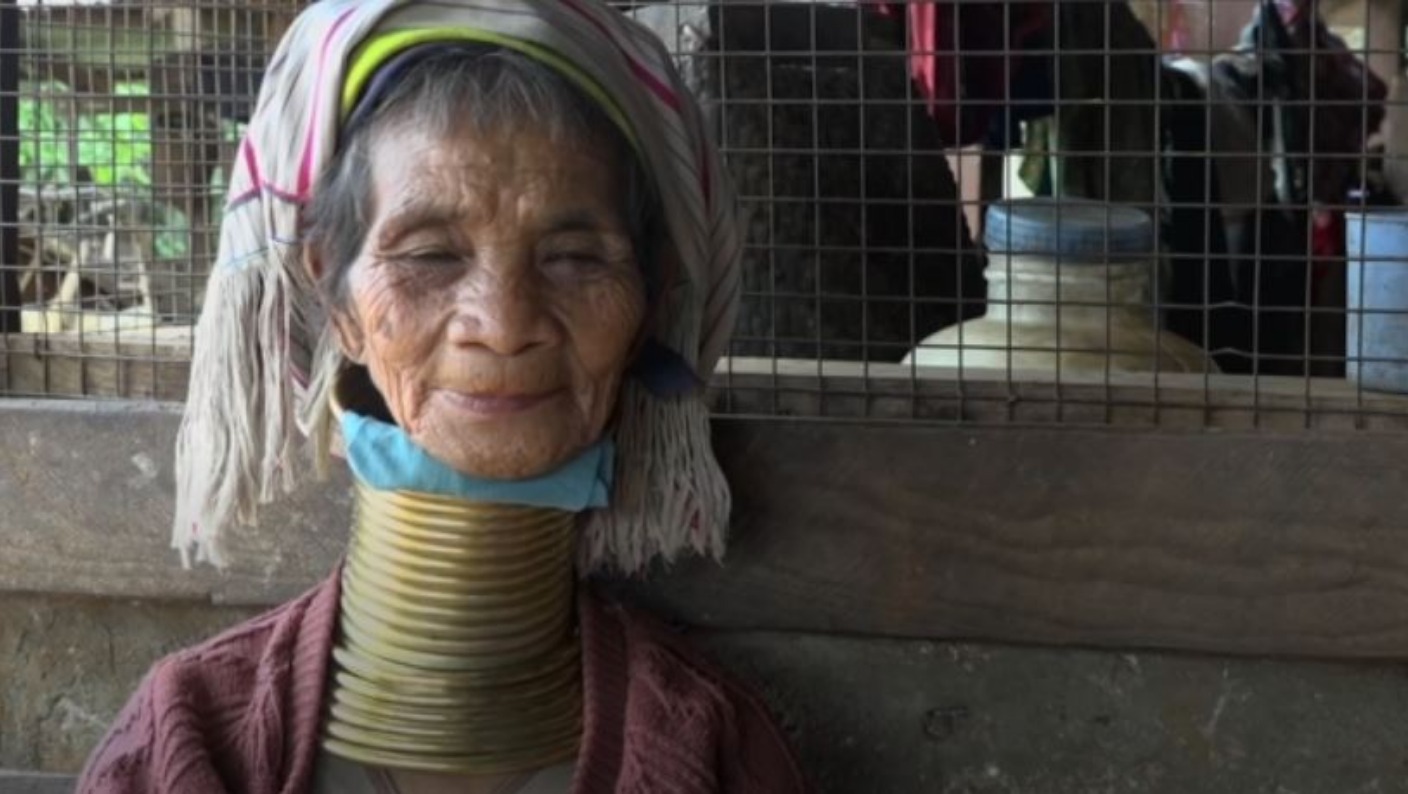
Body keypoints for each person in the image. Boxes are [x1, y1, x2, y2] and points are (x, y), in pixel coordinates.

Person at [76, 1, 805, 792]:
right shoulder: (190, 743)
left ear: (651, 303)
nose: (501, 325)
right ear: (338, 301)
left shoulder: (707, 750)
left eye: (574, 258)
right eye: (428, 255)